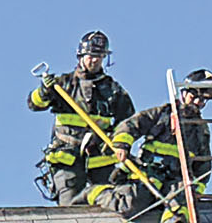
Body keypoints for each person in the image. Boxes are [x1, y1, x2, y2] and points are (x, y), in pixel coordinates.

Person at [108, 70, 212, 223]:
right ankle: (101, 194)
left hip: (174, 180)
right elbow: (130, 125)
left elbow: (204, 164)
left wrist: (198, 189)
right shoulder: (162, 114)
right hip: (149, 172)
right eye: (195, 97)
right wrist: (122, 145)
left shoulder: (200, 130)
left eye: (203, 100)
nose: (198, 103)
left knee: (184, 193)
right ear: (184, 93)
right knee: (133, 204)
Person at [29, 29, 135, 205]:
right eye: (90, 55)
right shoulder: (63, 85)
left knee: (108, 205)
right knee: (69, 208)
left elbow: (128, 124)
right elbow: (34, 105)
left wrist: (117, 142)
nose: (94, 60)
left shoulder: (115, 92)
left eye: (99, 56)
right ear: (80, 55)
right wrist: (44, 91)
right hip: (67, 157)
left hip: (101, 160)